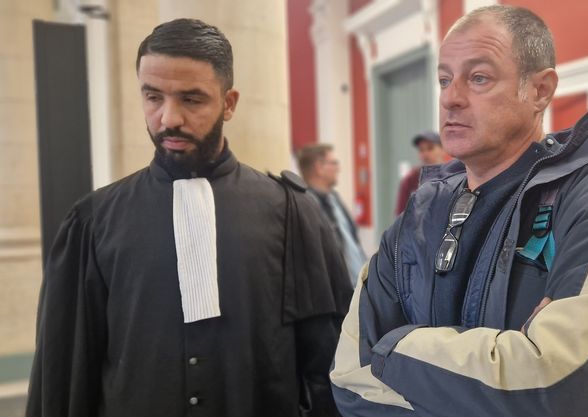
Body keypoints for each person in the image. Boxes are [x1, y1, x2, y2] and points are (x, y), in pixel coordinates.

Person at [330, 5, 588, 417]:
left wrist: (396, 347)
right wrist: (504, 365)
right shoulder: (419, 213)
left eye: (479, 78)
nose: (450, 98)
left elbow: (562, 390)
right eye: (445, 79)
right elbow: (348, 378)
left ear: (540, 90)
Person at [27, 18, 352, 417]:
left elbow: (327, 366)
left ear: (228, 103)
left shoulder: (290, 211)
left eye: (191, 99)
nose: (169, 118)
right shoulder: (94, 222)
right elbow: (66, 376)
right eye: (153, 97)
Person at [297, 144, 366, 286]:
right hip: (335, 293)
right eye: (334, 163)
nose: (339, 168)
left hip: (357, 288)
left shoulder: (334, 199)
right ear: (319, 168)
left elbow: (352, 243)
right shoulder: (305, 205)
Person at [394, 131, 447, 215]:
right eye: (421, 150)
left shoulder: (453, 176)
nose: (425, 154)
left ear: (443, 149)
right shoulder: (410, 180)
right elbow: (401, 215)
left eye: (430, 148)